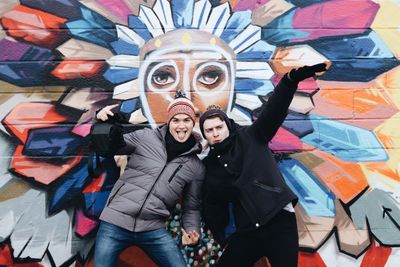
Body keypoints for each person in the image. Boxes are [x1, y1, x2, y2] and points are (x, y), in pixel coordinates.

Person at [199, 63, 329, 267]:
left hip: (279, 221)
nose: (215, 133)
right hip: (248, 231)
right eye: (209, 130)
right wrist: (222, 236)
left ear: (227, 124)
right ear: (205, 135)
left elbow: (273, 110)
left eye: (218, 127)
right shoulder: (210, 167)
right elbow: (214, 205)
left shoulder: (251, 136)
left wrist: (290, 80)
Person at [94, 96, 205, 267]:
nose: (181, 126)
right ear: (169, 122)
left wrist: (192, 232)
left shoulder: (195, 166)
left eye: (186, 120)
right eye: (175, 120)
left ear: (193, 123)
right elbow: (112, 146)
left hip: (153, 228)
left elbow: (191, 207)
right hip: (115, 222)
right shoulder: (146, 137)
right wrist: (103, 122)